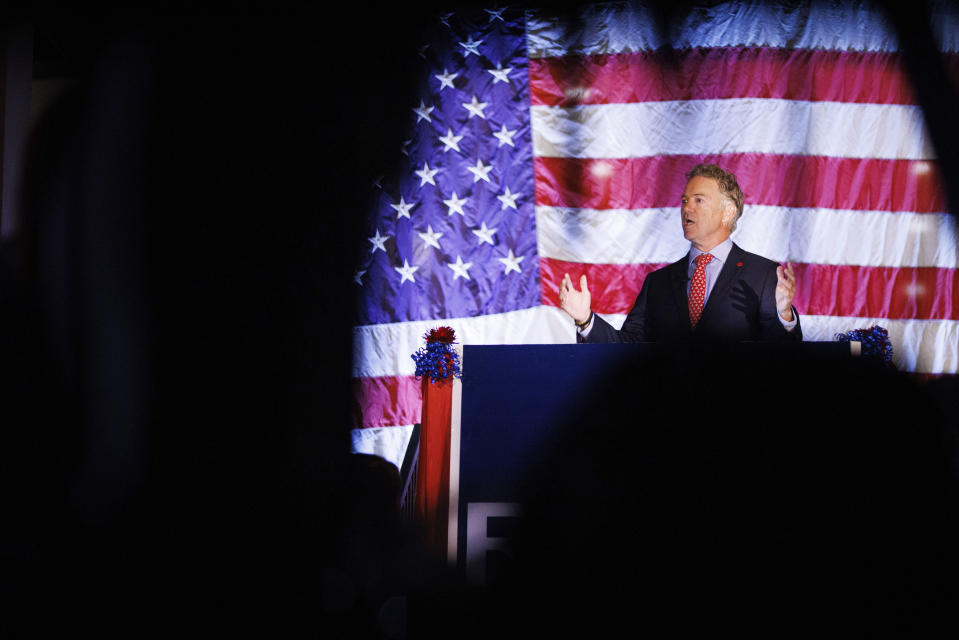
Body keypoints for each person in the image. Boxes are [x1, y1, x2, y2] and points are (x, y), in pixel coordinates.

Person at [559, 163, 802, 343]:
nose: (687, 208)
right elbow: (628, 347)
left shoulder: (763, 275)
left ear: (728, 212)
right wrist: (585, 320)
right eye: (685, 200)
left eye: (698, 200)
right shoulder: (658, 283)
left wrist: (784, 315)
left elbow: (780, 357)